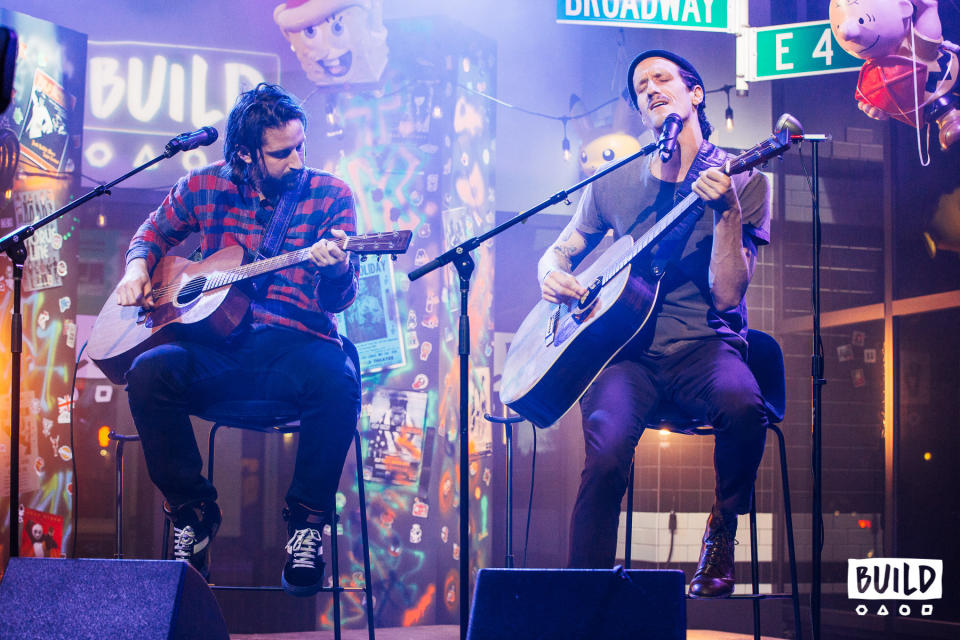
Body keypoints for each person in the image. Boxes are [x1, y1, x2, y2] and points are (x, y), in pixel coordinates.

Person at [538, 51, 771, 597]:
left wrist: (729, 212)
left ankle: (722, 527)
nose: (650, 88)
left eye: (662, 78)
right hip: (626, 353)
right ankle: (585, 596)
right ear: (641, 111)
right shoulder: (613, 182)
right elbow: (561, 248)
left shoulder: (749, 180)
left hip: (703, 346)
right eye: (640, 86)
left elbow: (728, 293)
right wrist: (550, 272)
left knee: (743, 405)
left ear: (695, 95)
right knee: (606, 452)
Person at [116, 83, 361, 597]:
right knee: (148, 371)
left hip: (295, 348)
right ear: (246, 153)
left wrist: (336, 269)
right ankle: (194, 514)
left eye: (301, 146)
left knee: (338, 375)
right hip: (216, 348)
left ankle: (307, 522)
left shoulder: (331, 195)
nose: (297, 160)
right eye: (282, 152)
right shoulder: (203, 185)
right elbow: (152, 232)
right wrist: (137, 268)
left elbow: (340, 300)